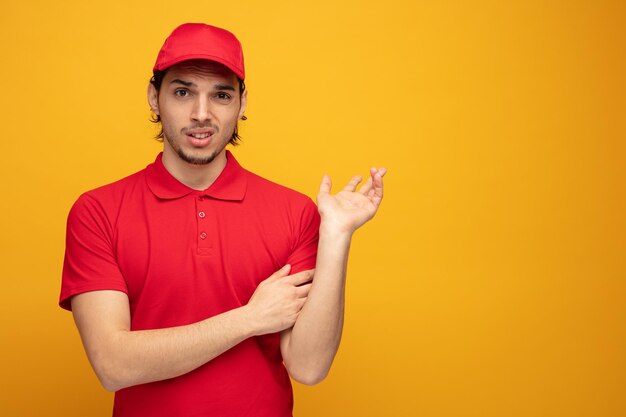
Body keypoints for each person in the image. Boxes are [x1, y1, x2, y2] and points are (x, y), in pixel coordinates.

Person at [60, 23, 385, 417]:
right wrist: (249, 319)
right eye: (183, 92)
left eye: (221, 95)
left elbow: (308, 366)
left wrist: (336, 237)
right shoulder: (98, 211)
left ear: (242, 104)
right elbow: (113, 365)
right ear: (154, 97)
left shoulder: (294, 212)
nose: (202, 114)